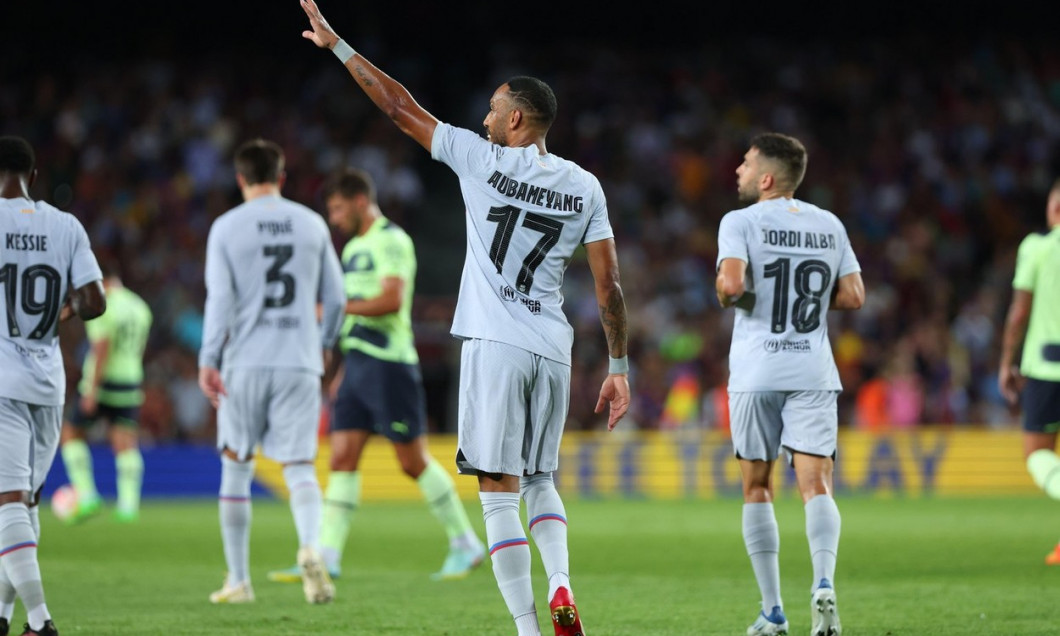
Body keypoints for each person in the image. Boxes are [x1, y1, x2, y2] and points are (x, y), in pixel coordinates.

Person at [299, 3, 631, 635]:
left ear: (515, 119)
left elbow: (399, 107)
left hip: (494, 342)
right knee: (540, 479)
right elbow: (609, 285)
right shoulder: (586, 187)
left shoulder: (482, 160)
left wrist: (339, 47)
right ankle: (561, 582)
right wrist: (617, 366)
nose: (481, 119)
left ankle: (530, 629)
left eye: (490, 109)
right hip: (552, 347)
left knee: (496, 489)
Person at [267, 168, 485, 584]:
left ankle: (465, 542)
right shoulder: (352, 249)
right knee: (342, 457)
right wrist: (340, 370)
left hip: (389, 364)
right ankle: (326, 556)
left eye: (336, 208)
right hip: (357, 367)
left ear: (359, 201)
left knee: (411, 460)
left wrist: (334, 309)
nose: (333, 218)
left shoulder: (392, 240)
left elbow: (391, 299)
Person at [716, 132, 864, 636]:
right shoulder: (830, 225)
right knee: (817, 483)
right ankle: (823, 582)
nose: (737, 169)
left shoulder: (739, 222)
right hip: (813, 369)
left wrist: (726, 292)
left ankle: (773, 611)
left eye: (745, 163)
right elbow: (854, 295)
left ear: (765, 178)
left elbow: (732, 285)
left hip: (757, 371)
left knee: (758, 487)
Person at [198, 138, 346, 606]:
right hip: (299, 359)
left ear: (240, 179)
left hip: (243, 361)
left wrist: (208, 359)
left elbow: (219, 300)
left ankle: (239, 581)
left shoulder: (226, 227)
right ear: (281, 177)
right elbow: (337, 300)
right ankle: (308, 545)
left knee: (236, 467)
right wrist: (324, 347)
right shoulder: (312, 223)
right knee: (300, 467)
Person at [0, 135, 106, 636]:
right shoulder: (65, 225)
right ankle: (3, 615)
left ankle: (41, 623)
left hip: (1, 381)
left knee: (7, 502)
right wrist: (64, 310)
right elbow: (95, 302)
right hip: (47, 382)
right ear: (34, 176)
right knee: (25, 504)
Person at [59, 259, 153, 524]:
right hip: (131, 379)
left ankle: (87, 495)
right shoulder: (139, 306)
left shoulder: (101, 303)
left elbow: (102, 347)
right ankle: (128, 505)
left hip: (104, 381)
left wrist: (91, 389)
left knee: (71, 433)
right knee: (125, 442)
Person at [999, 178, 1060, 564]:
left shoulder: (1038, 247)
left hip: (1046, 367)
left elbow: (1020, 311)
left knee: (1037, 454)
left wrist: (1007, 361)